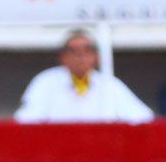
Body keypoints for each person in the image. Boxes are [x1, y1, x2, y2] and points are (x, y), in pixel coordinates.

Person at [14, 30, 154, 123]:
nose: (80, 56)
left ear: (96, 57)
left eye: (87, 50)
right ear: (62, 56)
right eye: (74, 51)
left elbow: (143, 117)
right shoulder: (46, 81)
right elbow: (25, 120)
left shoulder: (108, 84)